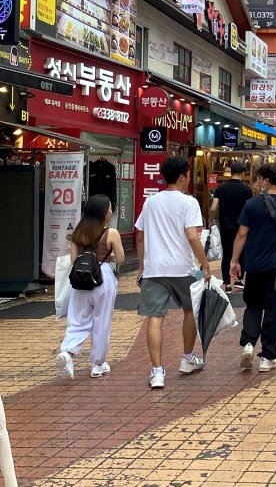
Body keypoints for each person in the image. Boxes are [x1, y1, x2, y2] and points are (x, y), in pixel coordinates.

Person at [136, 156, 210, 390]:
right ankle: (187, 358)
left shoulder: (151, 202)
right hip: (183, 269)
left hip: (154, 269)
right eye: (188, 175)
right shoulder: (189, 203)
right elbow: (192, 235)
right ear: (182, 176)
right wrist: (205, 265)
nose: (189, 179)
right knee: (190, 310)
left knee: (155, 318)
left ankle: (157, 372)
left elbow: (140, 235)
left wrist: (141, 267)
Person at [231, 163, 276, 372]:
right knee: (273, 310)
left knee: (253, 305)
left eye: (259, 178)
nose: (257, 182)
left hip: (253, 265)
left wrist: (234, 261)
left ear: (265, 180)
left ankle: (247, 343)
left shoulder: (252, 204)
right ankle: (267, 357)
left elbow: (241, 235)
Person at [56, 195, 124, 380]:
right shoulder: (111, 233)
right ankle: (98, 364)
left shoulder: (79, 231)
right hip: (102, 277)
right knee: (101, 320)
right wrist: (105, 257)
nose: (112, 210)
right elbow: (121, 258)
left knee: (77, 319)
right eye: (110, 208)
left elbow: (73, 259)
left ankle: (67, 352)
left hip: (80, 278)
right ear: (103, 213)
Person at [210, 162, 253, 293]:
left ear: (230, 172)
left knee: (227, 255)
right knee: (242, 253)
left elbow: (213, 208)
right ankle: (239, 280)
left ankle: (227, 285)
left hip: (225, 227)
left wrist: (211, 220)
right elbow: (250, 209)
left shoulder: (221, 189)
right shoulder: (246, 190)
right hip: (242, 227)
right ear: (242, 173)